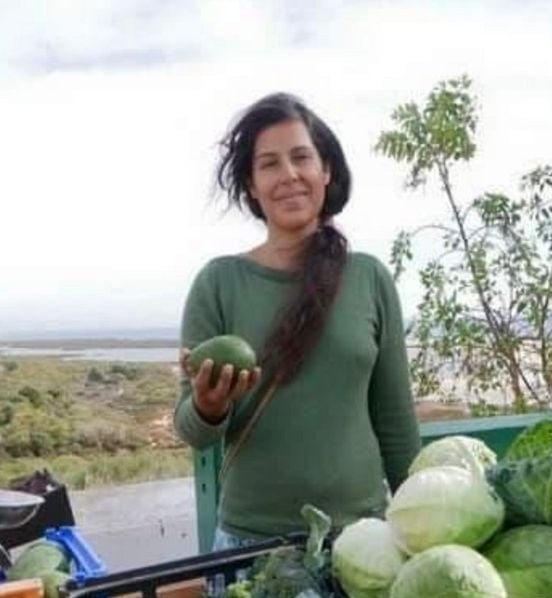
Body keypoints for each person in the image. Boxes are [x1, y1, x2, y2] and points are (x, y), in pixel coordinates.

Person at [174, 92, 421, 549]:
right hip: (250, 547)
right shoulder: (218, 283)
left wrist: (422, 532)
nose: (288, 175)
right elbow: (192, 430)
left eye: (301, 157)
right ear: (251, 183)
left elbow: (396, 423)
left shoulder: (368, 277)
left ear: (326, 171)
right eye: (268, 164)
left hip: (362, 543)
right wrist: (209, 407)